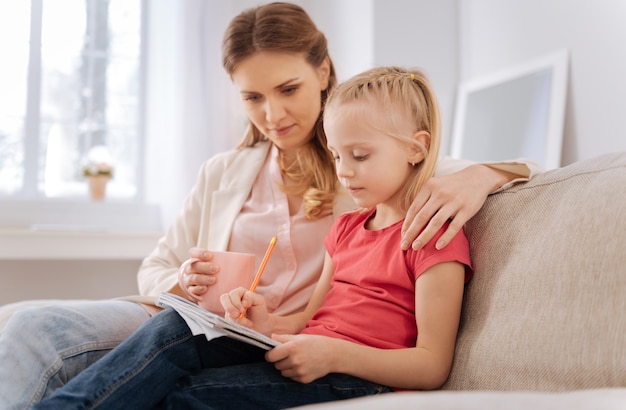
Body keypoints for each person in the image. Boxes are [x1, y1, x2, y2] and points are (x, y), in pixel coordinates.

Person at [0, 2, 539, 410]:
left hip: (325, 357)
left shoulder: (387, 177)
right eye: (253, 98)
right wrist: (197, 286)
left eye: (287, 89)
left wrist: (486, 173)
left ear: (324, 72)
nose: (272, 114)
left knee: (184, 390)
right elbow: (165, 272)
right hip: (236, 326)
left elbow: (506, 169)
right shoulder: (261, 185)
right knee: (38, 325)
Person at [33, 65, 474, 410]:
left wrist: (332, 355)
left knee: (187, 396)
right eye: (338, 155)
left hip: (357, 379)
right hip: (310, 357)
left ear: (416, 148)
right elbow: (306, 320)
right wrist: (263, 323)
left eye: (360, 155)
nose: (344, 171)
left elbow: (432, 365)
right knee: (175, 327)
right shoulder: (346, 228)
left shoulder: (433, 237)